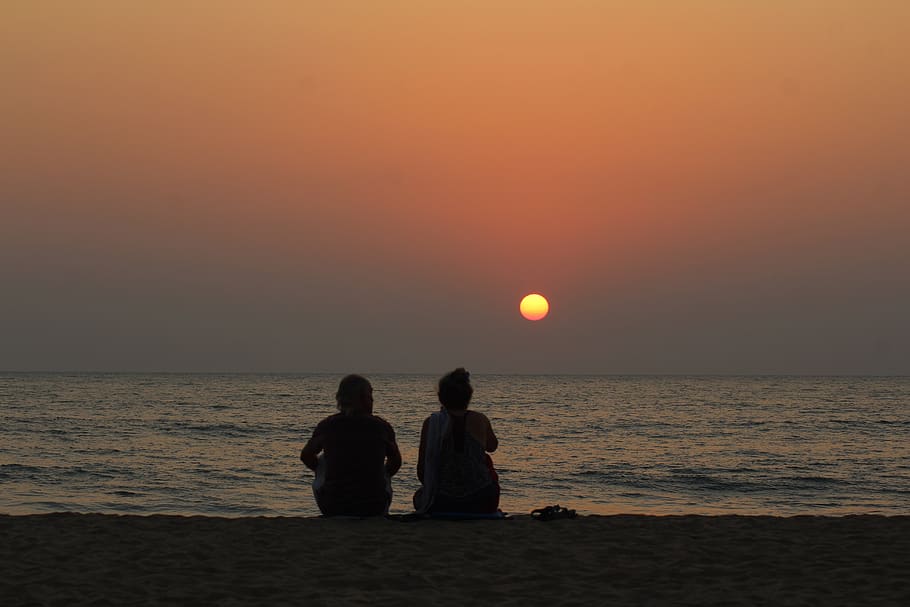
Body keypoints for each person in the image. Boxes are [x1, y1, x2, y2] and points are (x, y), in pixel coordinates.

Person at [300, 374, 402, 516]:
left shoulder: (327, 426)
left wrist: (326, 470)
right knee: (380, 467)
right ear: (361, 399)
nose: (372, 400)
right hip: (374, 507)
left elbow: (306, 456)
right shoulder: (381, 427)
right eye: (369, 396)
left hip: (332, 506)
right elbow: (396, 462)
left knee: (323, 460)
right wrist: (380, 473)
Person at [414, 368, 500, 514]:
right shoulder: (480, 419)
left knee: (418, 497)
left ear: (440, 397)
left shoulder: (432, 423)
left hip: (443, 500)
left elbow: (422, 469)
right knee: (486, 460)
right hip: (481, 500)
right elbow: (492, 446)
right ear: (469, 396)